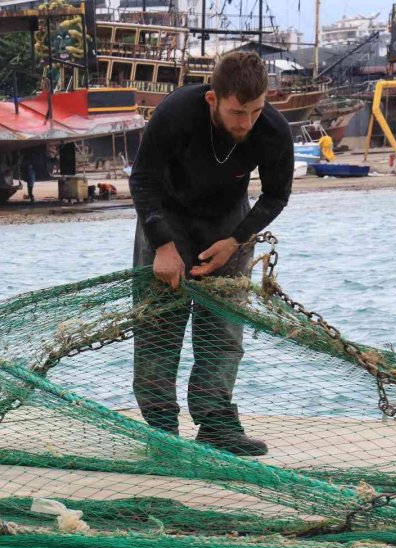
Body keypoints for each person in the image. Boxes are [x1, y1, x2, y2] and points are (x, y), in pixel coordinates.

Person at [128, 51, 293, 456]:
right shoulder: (176, 113)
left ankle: (217, 424)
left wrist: (236, 241)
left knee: (223, 333)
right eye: (238, 112)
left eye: (256, 111)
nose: (246, 123)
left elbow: (276, 195)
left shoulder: (271, 129)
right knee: (158, 330)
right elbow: (142, 180)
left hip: (226, 225)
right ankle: (162, 431)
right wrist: (163, 246)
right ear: (212, 100)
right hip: (167, 220)